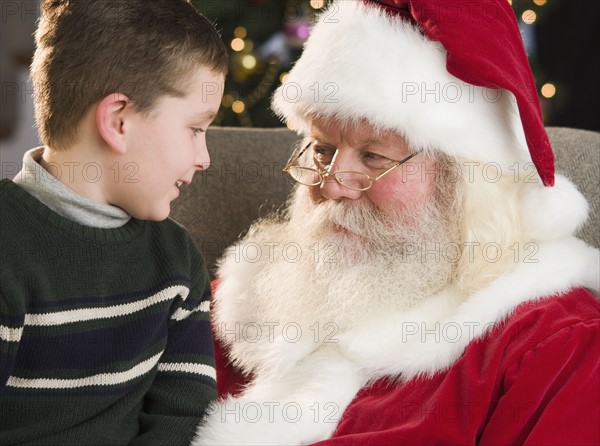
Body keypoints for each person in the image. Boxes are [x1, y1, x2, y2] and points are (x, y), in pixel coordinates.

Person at [192, 0, 600, 445]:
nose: (331, 187)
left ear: (466, 184)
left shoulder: (553, 348)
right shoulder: (243, 298)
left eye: (373, 156)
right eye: (323, 150)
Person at [0, 1, 227, 444]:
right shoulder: (8, 252)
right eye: (196, 129)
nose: (205, 159)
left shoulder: (177, 260)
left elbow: (183, 418)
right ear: (118, 121)